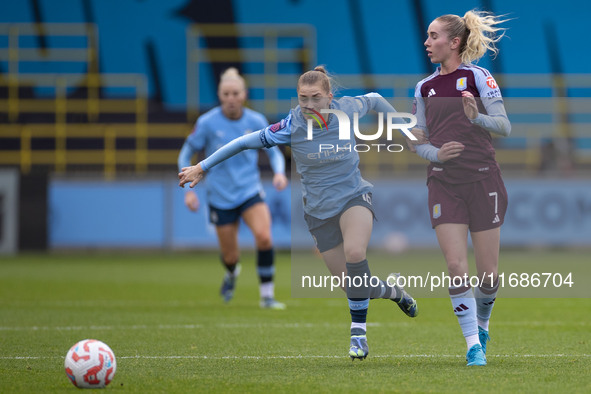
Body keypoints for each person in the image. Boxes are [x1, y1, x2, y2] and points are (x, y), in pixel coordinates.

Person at [179, 66, 425, 360]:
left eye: (316, 98)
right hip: (319, 213)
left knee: (356, 253)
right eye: (303, 98)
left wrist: (405, 130)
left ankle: (358, 334)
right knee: (353, 285)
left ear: (330, 97)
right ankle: (395, 292)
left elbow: (374, 99)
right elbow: (244, 142)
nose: (309, 105)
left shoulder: (346, 109)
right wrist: (202, 166)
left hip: (354, 197)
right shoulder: (291, 125)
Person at [409, 10, 511, 366]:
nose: (427, 42)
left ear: (454, 42)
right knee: (456, 266)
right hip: (443, 183)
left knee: (488, 274)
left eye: (433, 36)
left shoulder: (479, 77)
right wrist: (435, 152)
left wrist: (476, 117)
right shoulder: (424, 88)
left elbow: (504, 126)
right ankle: (472, 345)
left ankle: (482, 324)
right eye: (426, 35)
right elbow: (416, 142)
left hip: (484, 180)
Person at [178, 68, 288, 310]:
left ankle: (267, 296)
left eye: (235, 93)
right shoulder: (206, 123)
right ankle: (231, 274)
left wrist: (279, 172)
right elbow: (186, 153)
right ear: (219, 95)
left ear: (244, 95)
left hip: (249, 191)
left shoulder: (256, 121)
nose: (230, 98)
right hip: (219, 196)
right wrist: (188, 190)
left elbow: (275, 152)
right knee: (231, 257)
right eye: (226, 93)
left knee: (265, 237)